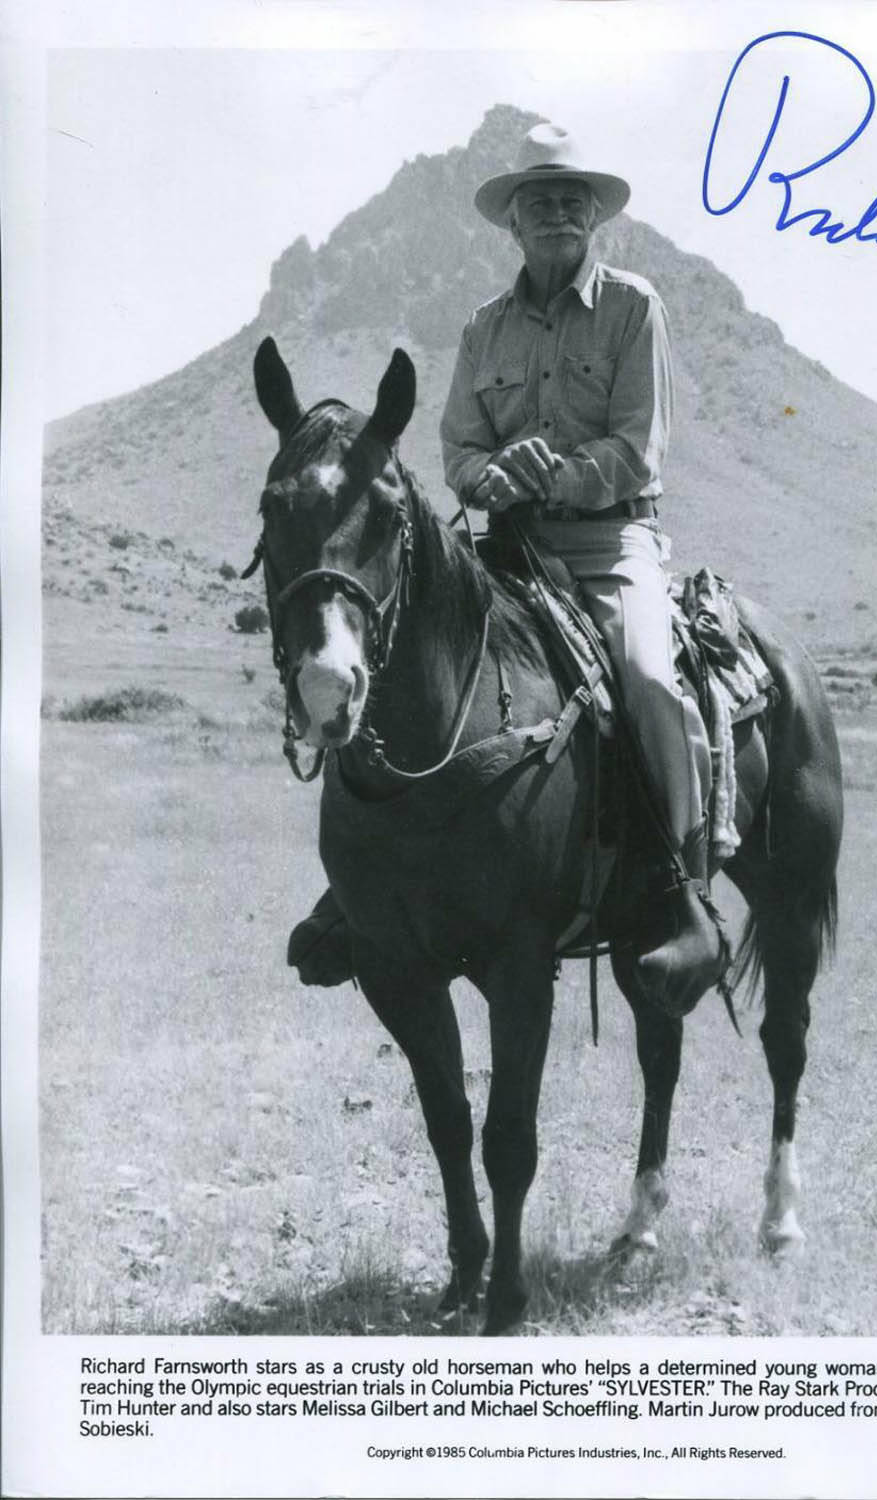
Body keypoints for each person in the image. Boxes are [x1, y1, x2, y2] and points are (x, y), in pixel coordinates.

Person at [289, 123, 725, 1012]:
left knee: (645, 675)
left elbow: (639, 446)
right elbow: (457, 447)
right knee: (404, 655)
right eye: (539, 203)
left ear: (593, 217)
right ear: (513, 225)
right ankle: (361, 885)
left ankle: (684, 895)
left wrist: (556, 473)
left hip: (608, 542)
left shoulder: (634, 306)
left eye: (573, 201)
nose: (557, 213)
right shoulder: (481, 328)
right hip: (505, 544)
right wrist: (490, 476)